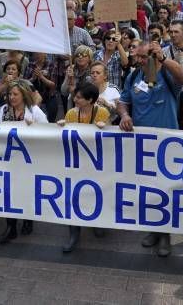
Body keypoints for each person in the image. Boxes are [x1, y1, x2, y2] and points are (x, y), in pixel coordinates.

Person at [117, 39, 183, 257]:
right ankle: (153, 230)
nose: (137, 61)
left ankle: (165, 234)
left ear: (154, 56)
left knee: (165, 189)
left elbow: (182, 77)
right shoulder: (134, 77)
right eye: (135, 56)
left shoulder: (166, 74)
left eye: (142, 57)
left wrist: (164, 59)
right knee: (147, 189)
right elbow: (122, 101)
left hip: (167, 147)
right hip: (143, 146)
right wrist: (125, 115)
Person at [57, 82, 110, 252]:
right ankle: (74, 232)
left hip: (96, 164)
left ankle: (98, 221)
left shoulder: (102, 112)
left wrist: (105, 128)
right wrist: (61, 128)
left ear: (90, 100)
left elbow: (110, 141)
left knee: (97, 192)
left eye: (79, 97)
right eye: (76, 96)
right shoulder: (71, 113)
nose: (75, 99)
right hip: (76, 162)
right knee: (73, 195)